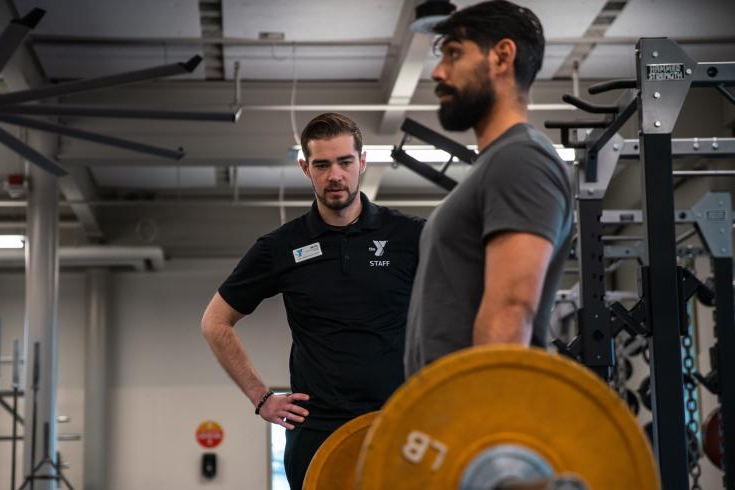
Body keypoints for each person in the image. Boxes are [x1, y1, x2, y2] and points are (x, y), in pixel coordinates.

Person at [201, 112, 424, 489]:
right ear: (306, 168)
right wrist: (261, 397)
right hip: (317, 429)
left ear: (363, 162)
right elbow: (215, 322)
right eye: (322, 164)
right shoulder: (280, 247)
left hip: (398, 422)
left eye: (345, 162)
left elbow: (465, 301)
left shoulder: (410, 237)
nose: (334, 175)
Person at [405, 0, 574, 375]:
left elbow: (512, 310)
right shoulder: (498, 163)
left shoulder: (521, 161)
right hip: (447, 413)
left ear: (501, 57)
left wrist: (481, 424)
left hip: (474, 419)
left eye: (453, 53)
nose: (437, 72)